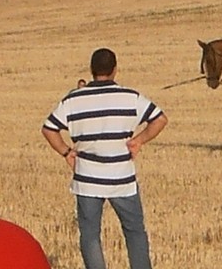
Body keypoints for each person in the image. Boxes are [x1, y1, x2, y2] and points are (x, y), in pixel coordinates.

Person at [41, 48, 168, 269]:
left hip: (87, 179)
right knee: (135, 232)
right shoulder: (130, 97)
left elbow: (49, 129)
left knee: (90, 236)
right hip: (123, 180)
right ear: (115, 69)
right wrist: (138, 140)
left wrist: (66, 152)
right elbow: (160, 119)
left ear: (91, 70)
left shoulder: (73, 99)